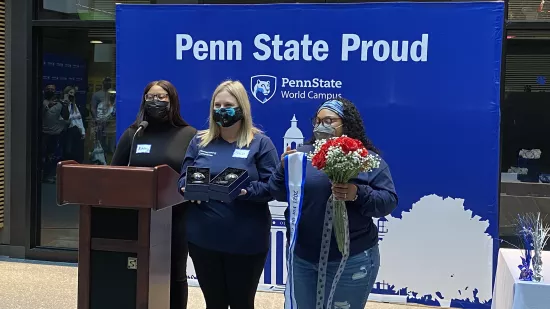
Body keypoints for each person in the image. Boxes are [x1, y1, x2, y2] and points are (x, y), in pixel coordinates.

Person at [268, 98, 398, 309]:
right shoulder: (301, 156)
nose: (321, 126)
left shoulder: (365, 159)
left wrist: (357, 193)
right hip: (304, 259)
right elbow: (278, 193)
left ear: (346, 124)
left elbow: (388, 202)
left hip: (351, 260)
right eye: (317, 121)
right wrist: (282, 169)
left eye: (329, 120)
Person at [178, 80, 279, 309]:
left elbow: (274, 186)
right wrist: (186, 187)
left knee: (242, 303)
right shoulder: (199, 141)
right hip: (203, 239)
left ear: (242, 108)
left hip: (245, 242)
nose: (222, 110)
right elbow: (183, 176)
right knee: (214, 303)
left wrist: (246, 191)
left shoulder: (260, 144)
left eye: (228, 105)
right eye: (217, 105)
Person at [111, 80, 196, 309]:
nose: (155, 102)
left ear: (172, 101)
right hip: (138, 217)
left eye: (161, 97)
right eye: (150, 97)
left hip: (176, 217)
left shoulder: (189, 135)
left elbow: (194, 175)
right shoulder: (135, 133)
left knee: (174, 273)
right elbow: (114, 173)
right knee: (136, 270)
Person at [42, 84, 69, 183]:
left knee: (51, 156)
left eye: (52, 89)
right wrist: (48, 106)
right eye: (48, 89)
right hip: (42, 133)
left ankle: (48, 175)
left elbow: (66, 116)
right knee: (42, 156)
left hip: (54, 134)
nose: (50, 91)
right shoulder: (40, 102)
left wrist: (65, 105)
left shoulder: (59, 104)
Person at [62, 86, 86, 163]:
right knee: (68, 152)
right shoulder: (62, 104)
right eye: (70, 93)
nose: (72, 95)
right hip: (67, 131)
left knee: (76, 152)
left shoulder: (74, 106)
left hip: (76, 131)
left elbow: (79, 120)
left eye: (73, 93)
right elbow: (65, 117)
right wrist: (66, 103)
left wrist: (83, 132)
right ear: (66, 93)